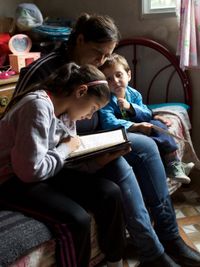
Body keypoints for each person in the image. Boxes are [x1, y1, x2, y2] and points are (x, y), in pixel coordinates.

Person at [6, 12, 200, 267]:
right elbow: (23, 122)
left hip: (89, 136)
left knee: (147, 145)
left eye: (108, 55)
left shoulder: (93, 73)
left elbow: (98, 113)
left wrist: (135, 120)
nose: (103, 61)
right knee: (119, 166)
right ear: (80, 40)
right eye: (99, 53)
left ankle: (170, 237)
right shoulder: (45, 74)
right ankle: (151, 251)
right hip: (62, 145)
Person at [0, 62, 129, 267]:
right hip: (10, 179)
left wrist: (97, 162)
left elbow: (65, 159)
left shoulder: (67, 115)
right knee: (76, 220)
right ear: (80, 91)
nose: (89, 116)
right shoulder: (37, 106)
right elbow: (29, 172)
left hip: (41, 172)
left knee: (110, 192)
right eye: (93, 108)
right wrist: (66, 149)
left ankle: (115, 262)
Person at [99, 53, 194, 184]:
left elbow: (146, 113)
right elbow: (108, 122)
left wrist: (131, 107)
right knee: (150, 137)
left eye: (119, 75)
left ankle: (173, 164)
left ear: (129, 75)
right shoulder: (106, 100)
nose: (115, 81)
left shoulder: (134, 94)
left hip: (141, 124)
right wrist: (136, 126)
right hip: (125, 130)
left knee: (159, 126)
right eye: (109, 79)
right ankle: (169, 166)